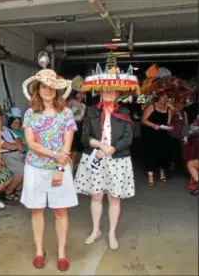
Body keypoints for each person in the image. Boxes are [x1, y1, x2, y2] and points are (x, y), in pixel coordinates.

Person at [74, 54, 140, 250]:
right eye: (105, 91)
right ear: (100, 92)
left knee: (113, 197)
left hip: (117, 159)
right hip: (95, 157)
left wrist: (112, 148)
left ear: (117, 93)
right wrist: (100, 146)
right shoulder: (92, 111)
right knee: (96, 196)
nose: (108, 93)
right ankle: (96, 230)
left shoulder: (126, 112)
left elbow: (128, 137)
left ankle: (112, 233)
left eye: (112, 90)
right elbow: (84, 137)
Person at [21, 68, 78, 271]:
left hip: (59, 168)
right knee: (37, 209)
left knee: (60, 210)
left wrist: (59, 169)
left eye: (51, 87)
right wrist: (55, 156)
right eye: (43, 86)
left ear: (57, 90)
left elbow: (67, 145)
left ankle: (62, 252)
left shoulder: (66, 114)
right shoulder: (30, 114)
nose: (47, 90)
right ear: (38, 90)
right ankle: (39, 250)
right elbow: (31, 143)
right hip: (34, 168)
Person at [141, 94, 173, 185]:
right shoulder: (152, 106)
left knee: (163, 154)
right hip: (151, 134)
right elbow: (144, 120)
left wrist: (169, 126)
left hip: (163, 134)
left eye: (167, 97)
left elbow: (168, 123)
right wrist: (153, 125)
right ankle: (150, 176)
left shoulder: (168, 109)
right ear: (159, 97)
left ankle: (162, 173)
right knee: (151, 153)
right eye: (163, 97)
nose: (165, 98)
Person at [0, 113, 25, 202]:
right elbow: (5, 145)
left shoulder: (6, 129)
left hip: (18, 153)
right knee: (21, 172)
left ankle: (17, 191)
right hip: (8, 155)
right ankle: (8, 193)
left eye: (0, 119)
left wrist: (17, 143)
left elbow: (17, 138)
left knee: (30, 169)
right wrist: (17, 145)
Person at [68, 91, 86, 170]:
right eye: (79, 93)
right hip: (70, 124)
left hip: (79, 125)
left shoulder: (83, 105)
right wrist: (74, 113)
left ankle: (71, 167)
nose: (81, 95)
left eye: (83, 93)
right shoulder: (71, 102)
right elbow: (64, 114)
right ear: (75, 94)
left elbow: (82, 117)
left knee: (75, 147)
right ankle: (66, 166)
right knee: (68, 145)